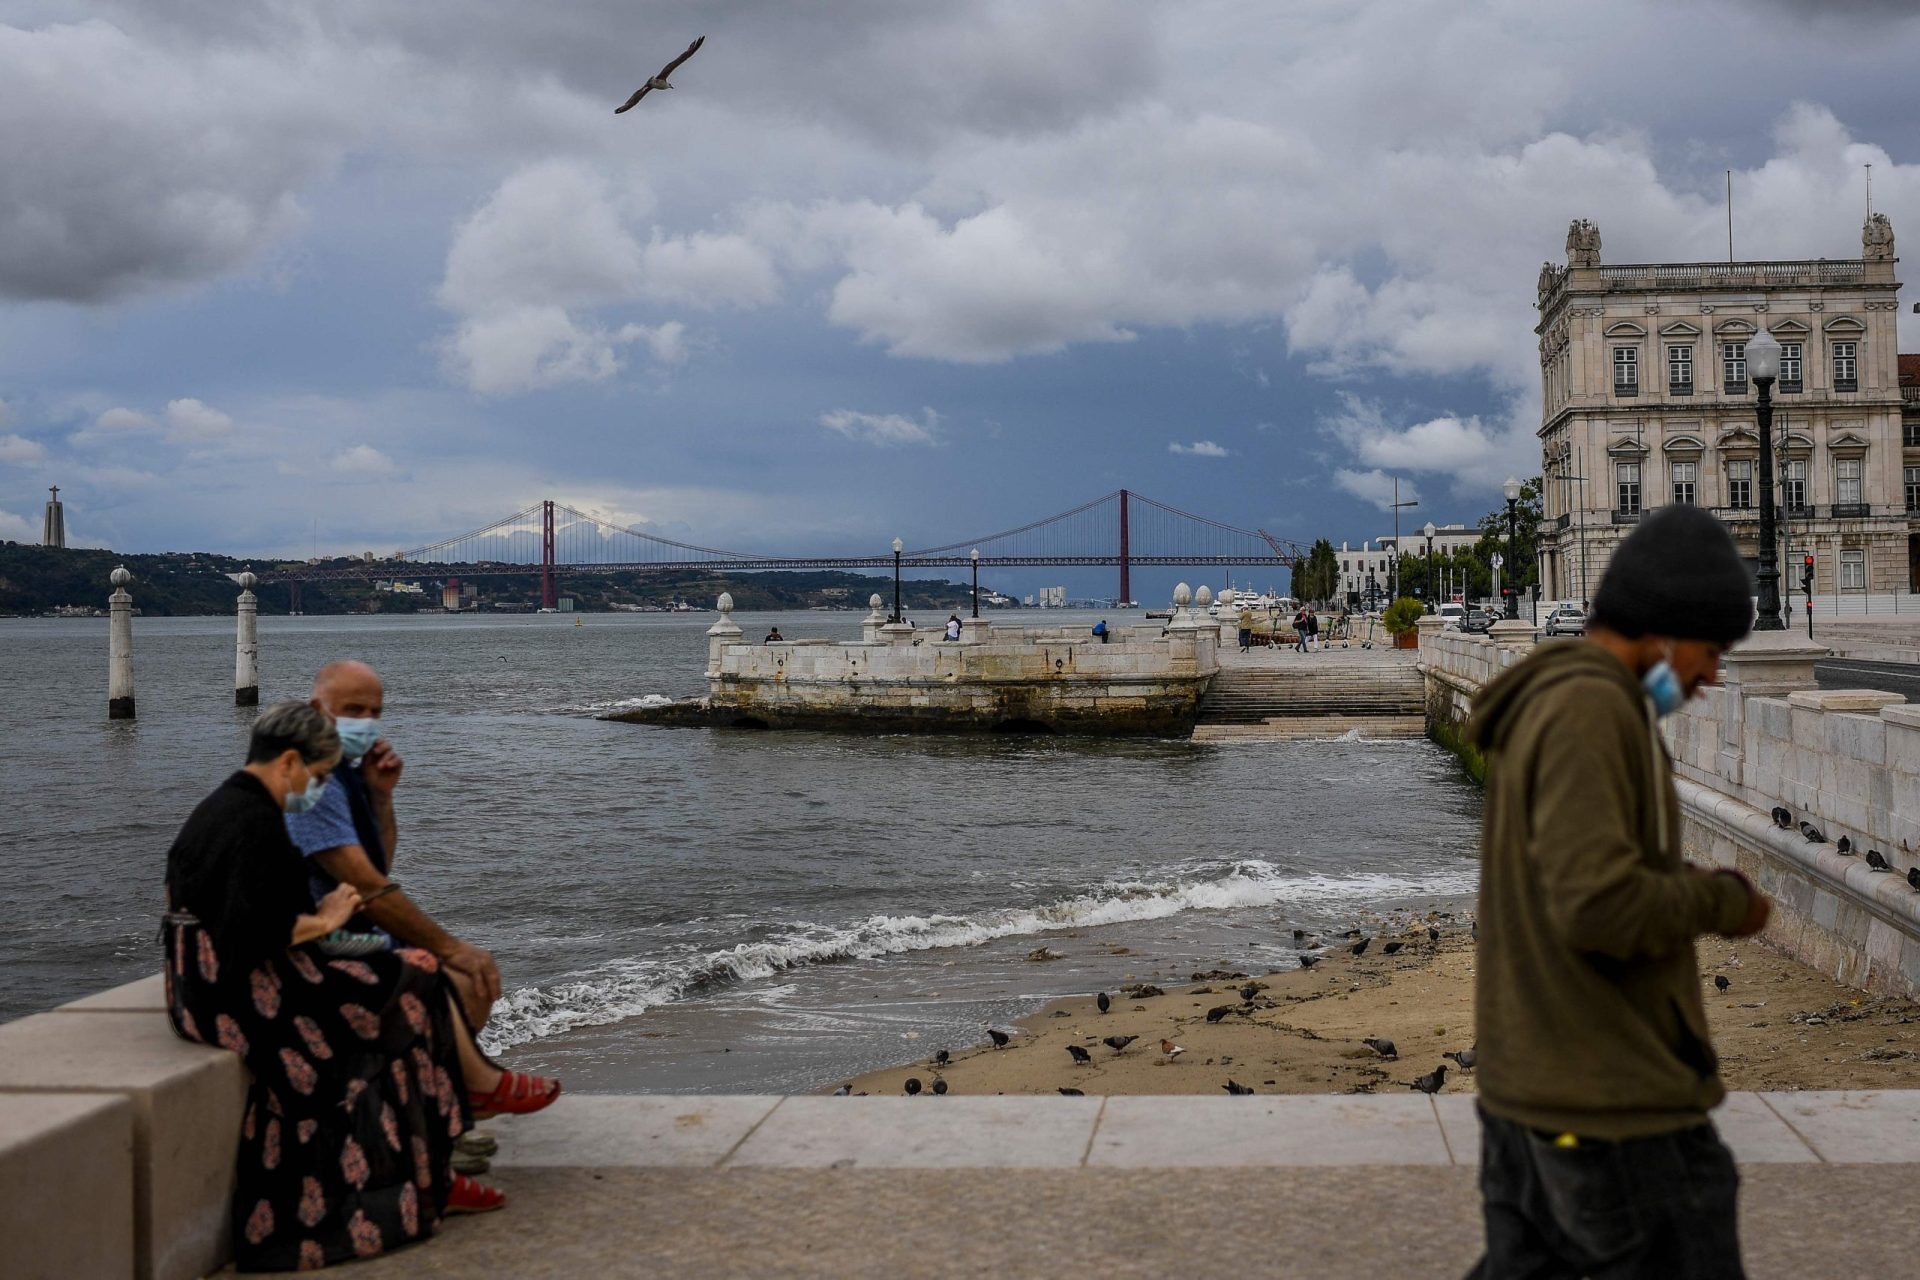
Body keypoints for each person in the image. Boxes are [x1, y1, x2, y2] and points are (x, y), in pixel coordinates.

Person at [1462, 505, 1770, 1280]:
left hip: (1536, 1097)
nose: (1711, 675)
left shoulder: (1559, 703)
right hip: (1608, 1113)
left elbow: (1574, 878)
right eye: (1709, 649)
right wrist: (1721, 902)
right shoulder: (1589, 710)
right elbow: (1596, 906)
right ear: (1661, 633)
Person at [162, 703, 561, 1271]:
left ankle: (444, 1152)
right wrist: (326, 920)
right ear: (292, 761)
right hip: (236, 991)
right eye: (319, 776)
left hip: (217, 979)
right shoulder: (253, 820)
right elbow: (252, 930)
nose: (317, 787)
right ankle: (451, 1137)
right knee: (410, 987)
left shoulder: (232, 807)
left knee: (413, 974)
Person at [286, 662, 516, 1047]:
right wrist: (453, 948)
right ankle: (453, 1084)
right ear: (315, 710)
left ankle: (439, 1082)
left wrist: (380, 795)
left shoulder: (344, 773)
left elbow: (377, 868)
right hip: (308, 942)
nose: (366, 722)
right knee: (463, 977)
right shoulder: (310, 781)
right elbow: (368, 886)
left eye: (374, 712)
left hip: (343, 930)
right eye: (353, 710)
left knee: (464, 979)